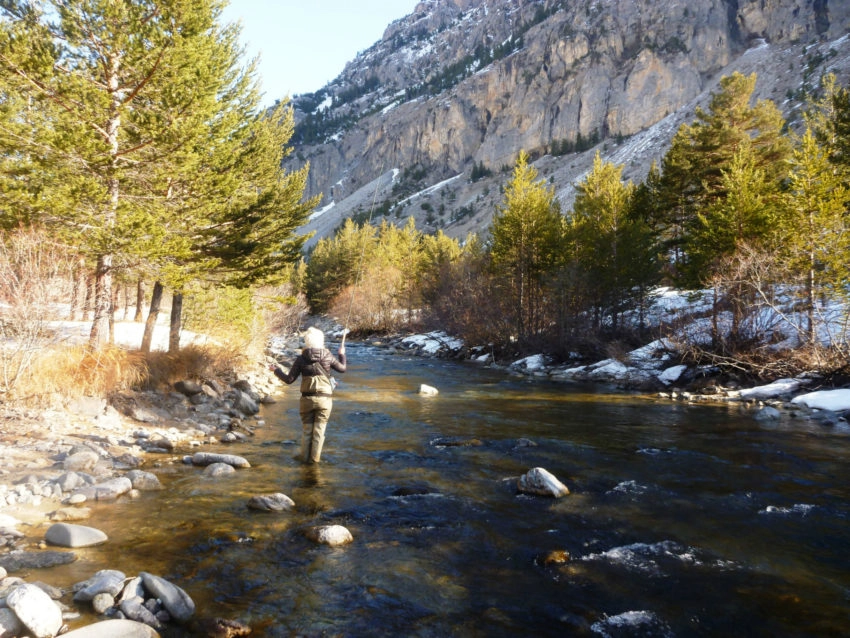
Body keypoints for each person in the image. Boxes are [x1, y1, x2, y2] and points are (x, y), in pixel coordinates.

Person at [269, 327, 346, 463]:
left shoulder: (301, 359)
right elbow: (342, 369)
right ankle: (315, 462)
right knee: (319, 432)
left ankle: (304, 460)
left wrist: (276, 370)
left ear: (306, 341)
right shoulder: (328, 356)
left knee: (307, 432)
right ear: (321, 340)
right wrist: (342, 354)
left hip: (306, 400)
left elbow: (289, 380)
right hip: (324, 400)